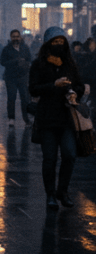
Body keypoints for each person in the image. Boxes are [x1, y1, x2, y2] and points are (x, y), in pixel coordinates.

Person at [29, 26, 85, 210]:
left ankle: (63, 190)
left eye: (61, 42)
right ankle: (50, 195)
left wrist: (75, 93)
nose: (59, 45)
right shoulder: (39, 64)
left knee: (69, 154)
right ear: (48, 44)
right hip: (47, 118)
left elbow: (79, 85)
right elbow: (33, 88)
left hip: (67, 118)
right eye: (55, 42)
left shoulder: (69, 63)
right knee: (50, 158)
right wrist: (53, 85)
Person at [0, 30, 32, 126]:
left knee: (25, 99)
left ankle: (26, 119)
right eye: (14, 36)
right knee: (11, 98)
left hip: (23, 77)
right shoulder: (6, 49)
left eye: (17, 36)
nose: (16, 38)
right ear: (11, 37)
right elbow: (2, 62)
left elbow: (29, 60)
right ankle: (11, 118)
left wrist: (25, 64)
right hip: (10, 78)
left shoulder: (25, 48)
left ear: (20, 37)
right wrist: (15, 61)